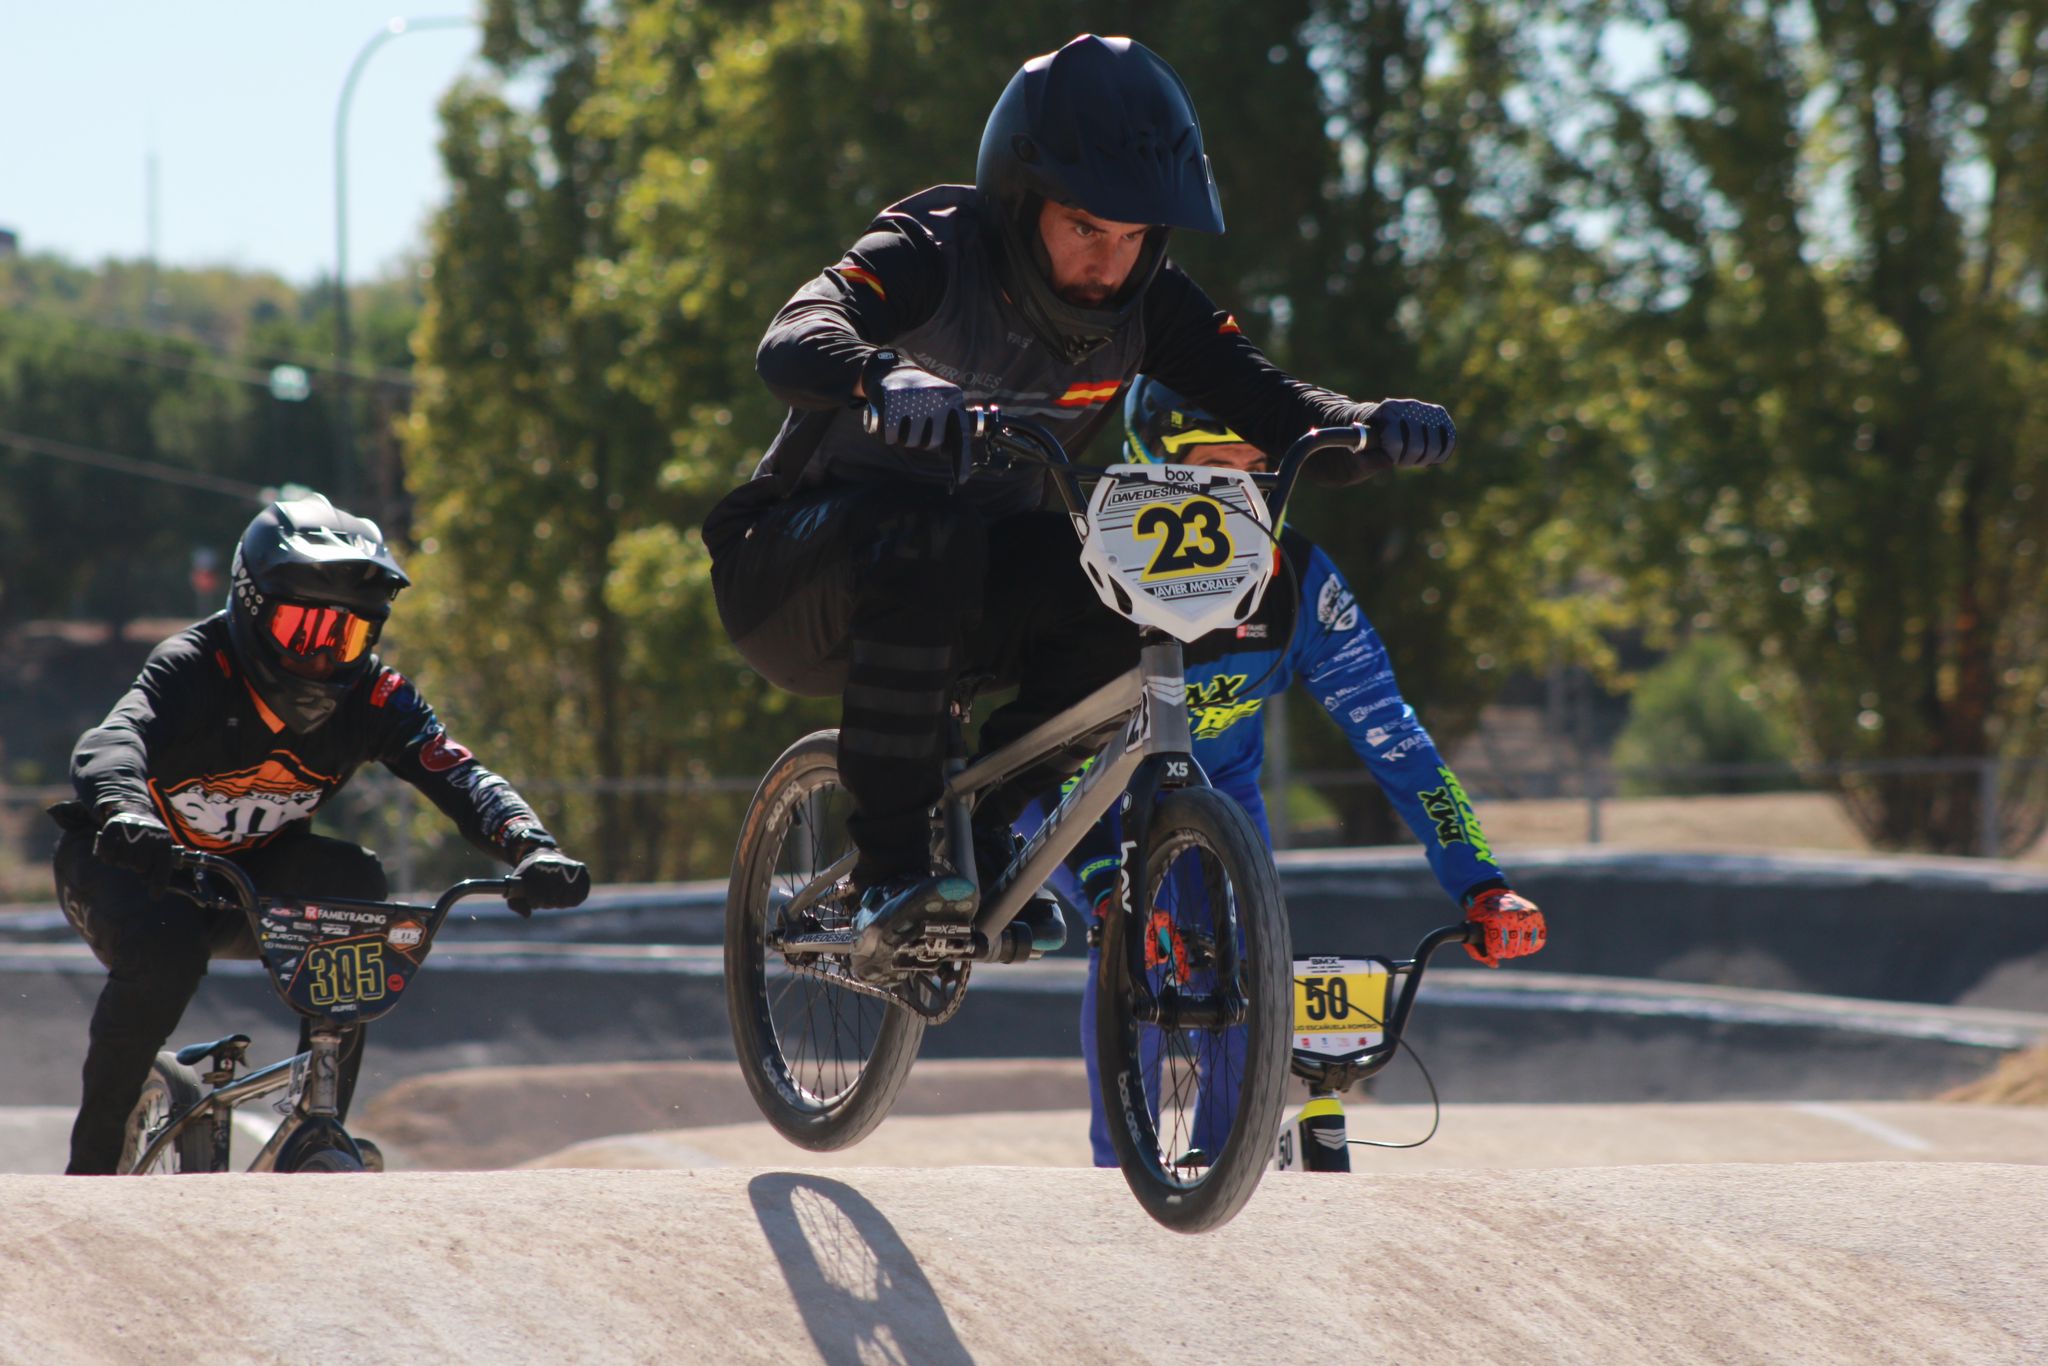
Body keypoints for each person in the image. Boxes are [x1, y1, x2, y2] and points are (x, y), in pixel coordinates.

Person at [702, 33, 1462, 983]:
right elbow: (793, 336)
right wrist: (882, 375)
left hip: (969, 580)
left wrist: (1365, 428)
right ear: (1022, 204)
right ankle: (894, 868)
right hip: (793, 574)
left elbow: (1275, 404)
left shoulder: (1152, 302)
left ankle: (982, 835)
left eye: (1135, 236)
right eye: (1086, 227)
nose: (1111, 262)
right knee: (926, 535)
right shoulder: (933, 246)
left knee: (1137, 587)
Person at [1059, 377, 1547, 1166]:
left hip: (1218, 795)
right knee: (1127, 940)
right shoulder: (1089, 561)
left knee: (1243, 959)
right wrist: (1092, 881)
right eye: (1221, 468)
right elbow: (1030, 736)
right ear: (1152, 463)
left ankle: (1229, 1168)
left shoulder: (1302, 584)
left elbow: (1398, 741)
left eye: (1261, 467)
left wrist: (1480, 882)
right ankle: (1117, 1170)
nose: (1246, 490)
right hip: (1073, 787)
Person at [49, 493, 590, 1175]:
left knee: (356, 886)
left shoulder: (378, 697)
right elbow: (114, 740)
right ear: (248, 605)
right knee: (167, 949)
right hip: (128, 869)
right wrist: (128, 812)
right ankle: (92, 1165)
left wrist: (530, 843)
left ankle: (320, 1115)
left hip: (248, 883)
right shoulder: (194, 664)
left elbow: (458, 773)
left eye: (348, 636)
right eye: (302, 628)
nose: (321, 657)